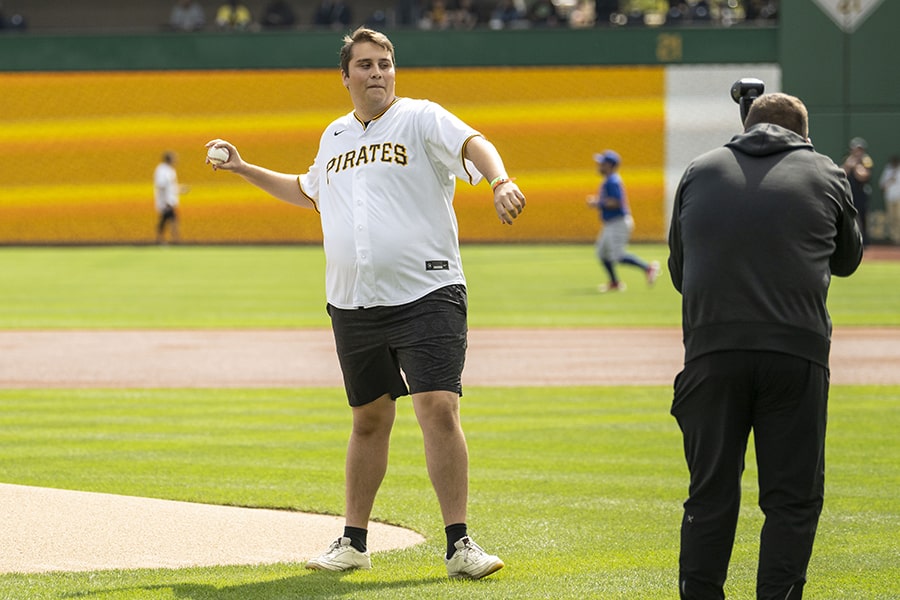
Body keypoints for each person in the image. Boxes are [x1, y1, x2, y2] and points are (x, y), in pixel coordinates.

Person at [205, 27, 525, 580]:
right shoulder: (334, 136)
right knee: (369, 419)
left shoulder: (422, 116)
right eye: (366, 65)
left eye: (385, 63)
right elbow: (308, 191)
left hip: (427, 291)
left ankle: (459, 544)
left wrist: (499, 180)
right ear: (346, 75)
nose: (377, 72)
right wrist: (242, 167)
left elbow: (474, 143)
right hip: (353, 303)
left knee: (437, 409)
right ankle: (353, 541)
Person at [667, 92, 863, 599]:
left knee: (709, 495)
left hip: (711, 351)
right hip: (796, 352)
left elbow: (679, 271)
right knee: (792, 500)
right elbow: (847, 260)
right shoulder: (825, 171)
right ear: (804, 135)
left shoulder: (698, 170)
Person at [586, 150, 659, 292]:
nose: (599, 166)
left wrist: (597, 203)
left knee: (617, 256)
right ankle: (614, 283)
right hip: (611, 223)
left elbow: (616, 202)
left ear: (610, 165)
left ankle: (648, 268)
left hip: (618, 222)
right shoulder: (609, 180)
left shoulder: (612, 181)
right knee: (602, 253)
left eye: (602, 163)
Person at [841, 137, 873, 246]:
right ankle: (852, 240)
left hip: (861, 193)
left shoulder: (866, 160)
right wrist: (849, 165)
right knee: (851, 218)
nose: (857, 152)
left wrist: (856, 167)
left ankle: (865, 241)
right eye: (855, 149)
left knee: (863, 218)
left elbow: (863, 176)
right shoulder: (848, 159)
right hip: (850, 193)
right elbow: (842, 173)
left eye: (860, 149)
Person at [153, 151, 186, 244]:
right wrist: (166, 201)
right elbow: (162, 186)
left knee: (167, 220)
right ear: (169, 159)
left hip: (170, 201)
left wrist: (180, 189)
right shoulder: (161, 170)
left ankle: (164, 239)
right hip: (166, 202)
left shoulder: (170, 170)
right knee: (169, 220)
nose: (176, 160)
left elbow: (170, 187)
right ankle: (172, 240)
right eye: (174, 158)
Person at [878, 155, 900, 244]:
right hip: (889, 198)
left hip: (899, 197)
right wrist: (890, 180)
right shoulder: (887, 171)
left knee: (898, 217)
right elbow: (882, 185)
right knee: (891, 217)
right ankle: (894, 237)